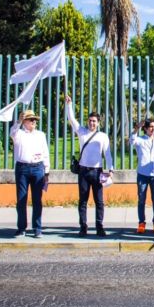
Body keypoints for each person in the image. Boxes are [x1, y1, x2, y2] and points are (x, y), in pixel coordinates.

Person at [65, 96, 113, 237]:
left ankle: (99, 226)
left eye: (94, 121)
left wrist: (110, 169)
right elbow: (72, 120)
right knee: (83, 201)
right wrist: (69, 105)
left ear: (98, 123)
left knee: (99, 201)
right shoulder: (82, 132)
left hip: (97, 172)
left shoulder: (103, 136)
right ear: (88, 122)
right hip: (83, 171)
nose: (92, 123)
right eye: (90, 121)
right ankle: (83, 227)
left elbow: (108, 154)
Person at [10, 109, 50, 238]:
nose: (33, 122)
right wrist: (18, 121)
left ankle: (37, 228)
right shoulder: (19, 133)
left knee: (37, 200)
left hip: (38, 168)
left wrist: (47, 171)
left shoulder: (40, 135)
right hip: (22, 168)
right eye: (30, 119)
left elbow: (45, 153)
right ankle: (21, 228)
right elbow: (12, 132)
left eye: (34, 120)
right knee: (21, 199)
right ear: (24, 121)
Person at [130, 118, 154, 234]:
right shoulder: (140, 140)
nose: (152, 129)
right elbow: (132, 140)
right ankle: (141, 223)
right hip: (142, 174)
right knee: (141, 200)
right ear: (145, 128)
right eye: (150, 127)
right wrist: (136, 128)